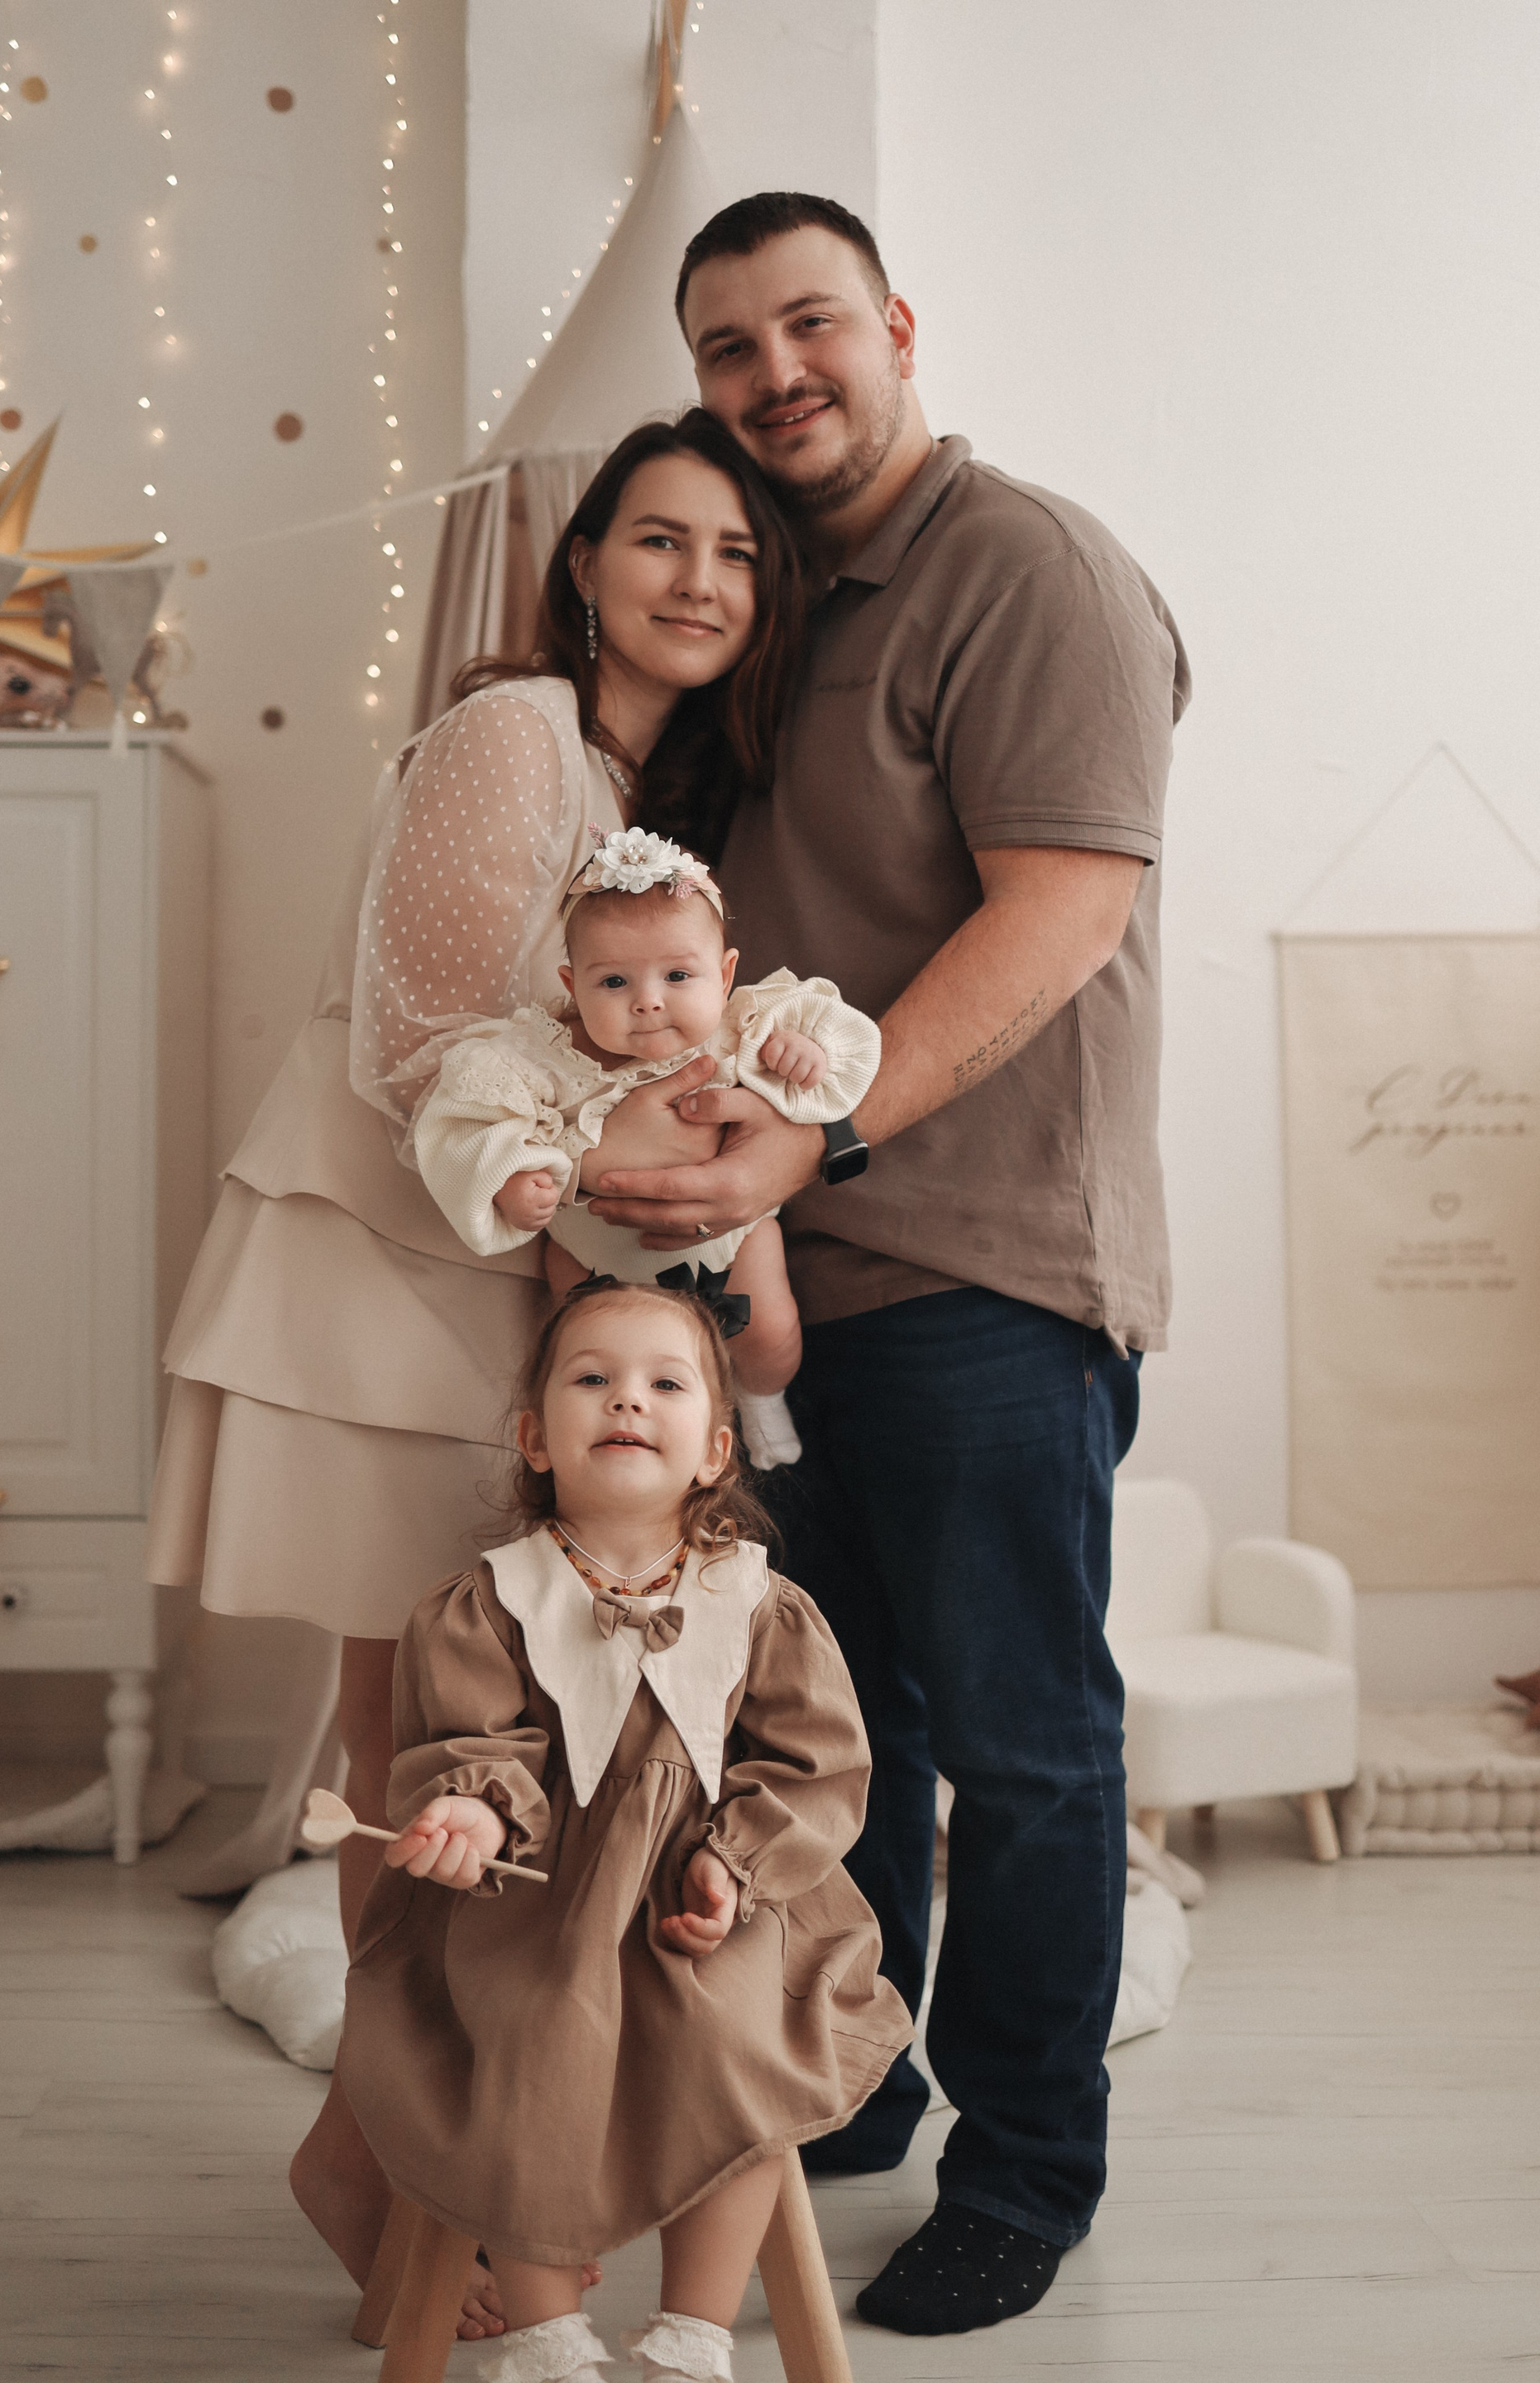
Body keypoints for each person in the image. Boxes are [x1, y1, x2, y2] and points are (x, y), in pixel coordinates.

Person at [586, 194, 1192, 2336]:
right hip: (783, 1286)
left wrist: (825, 1131)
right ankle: (856, 2079)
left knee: (1022, 1746)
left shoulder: (1023, 567)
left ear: (898, 325)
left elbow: (1066, 907)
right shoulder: (768, 597)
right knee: (842, 1733)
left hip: (983, 1266)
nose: (777, 375)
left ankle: (1024, 2170)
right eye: (729, 346)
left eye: (811, 323)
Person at [146, 408, 806, 2337]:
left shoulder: (653, 792)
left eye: (738, 554)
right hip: (389, 1271)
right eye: (661, 538)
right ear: (583, 562)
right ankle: (391, 2166)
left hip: (510, 1286)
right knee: (418, 1744)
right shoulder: (515, 728)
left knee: (482, 1737)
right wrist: (661, 1241)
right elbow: (432, 1035)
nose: (698, 579)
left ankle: (411, 2164)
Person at [339, 1277, 911, 2383]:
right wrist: (469, 1807)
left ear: (716, 1451)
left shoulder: (760, 1604)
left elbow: (815, 1762)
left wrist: (733, 1863)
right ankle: (548, 2339)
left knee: (745, 2046)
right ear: (534, 1437)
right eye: (592, 1379)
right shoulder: (488, 1603)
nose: (627, 1401)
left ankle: (691, 2337)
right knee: (527, 2035)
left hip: (714, 1904)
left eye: (665, 1384)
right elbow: (471, 1740)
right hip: (535, 1902)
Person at [410, 830, 880, 1467]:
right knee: (580, 1345)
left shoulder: (743, 1029)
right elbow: (475, 1123)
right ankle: (588, 1450)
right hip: (593, 1250)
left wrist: (806, 1053)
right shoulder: (539, 1056)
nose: (649, 1000)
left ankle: (762, 1396)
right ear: (572, 985)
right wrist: (514, 1178)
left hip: (732, 1242)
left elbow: (843, 1042)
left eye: (678, 975)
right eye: (614, 982)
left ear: (726, 973)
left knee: (770, 1334)